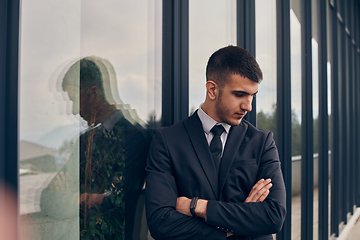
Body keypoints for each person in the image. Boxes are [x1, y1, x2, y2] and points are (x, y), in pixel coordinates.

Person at [145, 46, 286, 240]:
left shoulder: (262, 142)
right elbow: (160, 221)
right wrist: (235, 226)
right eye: (239, 95)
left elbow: (273, 216)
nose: (248, 106)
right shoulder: (167, 141)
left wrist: (197, 206)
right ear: (212, 89)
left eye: (252, 95)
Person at [40, 57, 150, 239]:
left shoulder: (133, 139)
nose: (73, 110)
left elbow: (119, 200)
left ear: (93, 94)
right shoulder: (84, 142)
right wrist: (88, 199)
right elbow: (47, 199)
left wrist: (74, 197)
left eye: (74, 99)